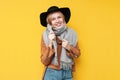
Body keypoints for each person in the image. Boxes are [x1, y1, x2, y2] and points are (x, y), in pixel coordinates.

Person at [40, 6, 81, 80]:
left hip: (67, 72)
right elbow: (44, 61)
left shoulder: (72, 34)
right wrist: (50, 43)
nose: (57, 20)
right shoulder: (46, 35)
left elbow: (77, 54)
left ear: (63, 18)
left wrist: (69, 47)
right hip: (51, 73)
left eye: (59, 17)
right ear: (50, 22)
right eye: (53, 19)